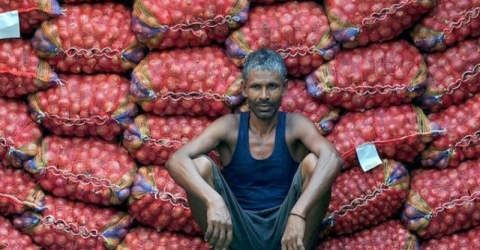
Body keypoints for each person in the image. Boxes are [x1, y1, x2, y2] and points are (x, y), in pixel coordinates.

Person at [165, 49, 344, 250]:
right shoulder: (229, 127)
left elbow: (332, 158)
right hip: (238, 230)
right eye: (256, 87)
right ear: (244, 89)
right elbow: (176, 160)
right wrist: (214, 200)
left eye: (272, 87)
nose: (264, 96)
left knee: (314, 163)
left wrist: (298, 213)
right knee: (200, 165)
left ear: (284, 88)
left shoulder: (296, 125)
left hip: (287, 232)